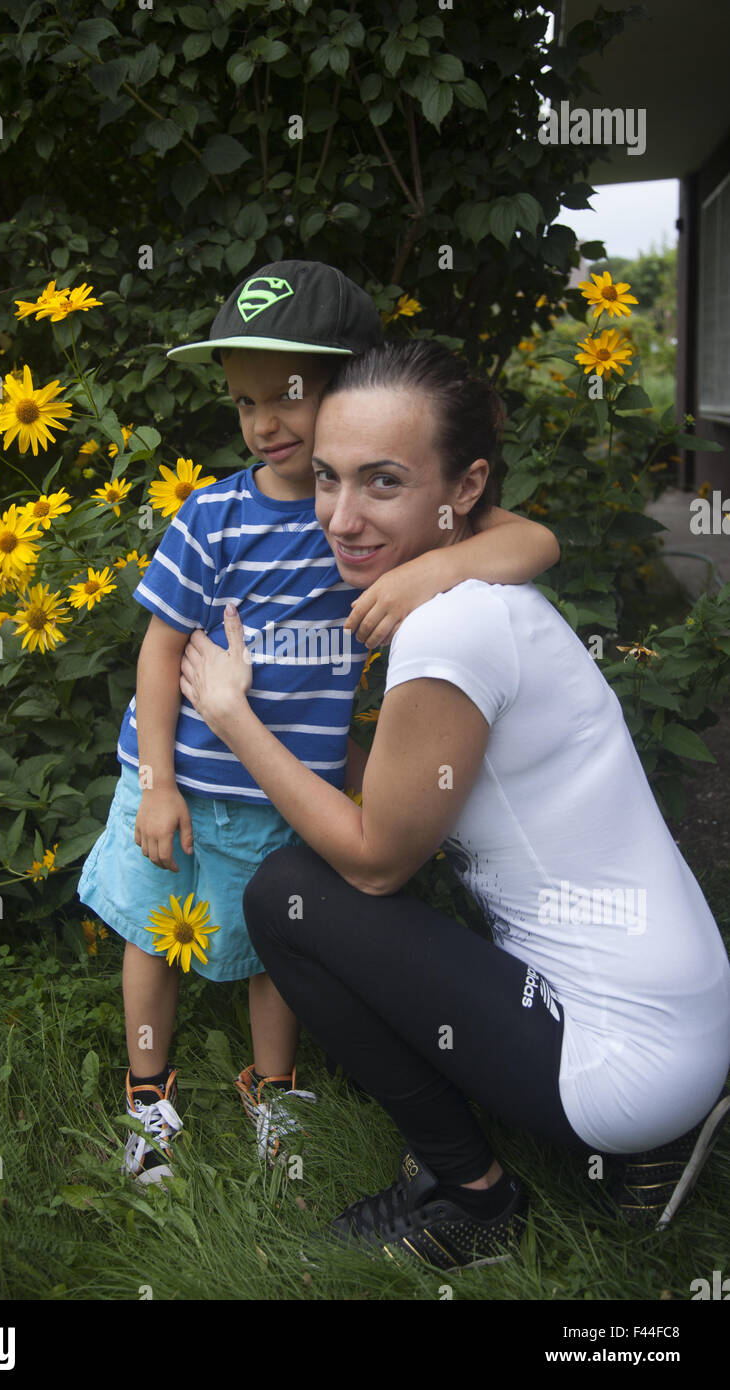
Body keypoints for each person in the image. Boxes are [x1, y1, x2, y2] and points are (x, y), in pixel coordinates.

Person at [178, 338, 730, 1271]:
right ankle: (654, 1143)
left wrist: (233, 718)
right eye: (327, 479)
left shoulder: (451, 627)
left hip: (625, 1058)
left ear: (464, 487)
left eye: (382, 483)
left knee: (287, 895)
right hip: (682, 1010)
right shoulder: (478, 583)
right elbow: (398, 785)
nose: (341, 520)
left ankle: (470, 1196)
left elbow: (375, 858)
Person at [77, 263, 561, 1184]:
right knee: (152, 940)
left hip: (288, 796)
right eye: (245, 401)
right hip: (184, 781)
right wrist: (158, 784)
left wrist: (427, 573)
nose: (265, 421)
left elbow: (534, 542)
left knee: (275, 947)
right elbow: (157, 650)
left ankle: (275, 1092)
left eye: (290, 394)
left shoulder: (382, 517)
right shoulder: (214, 515)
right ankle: (149, 1097)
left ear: (356, 386)